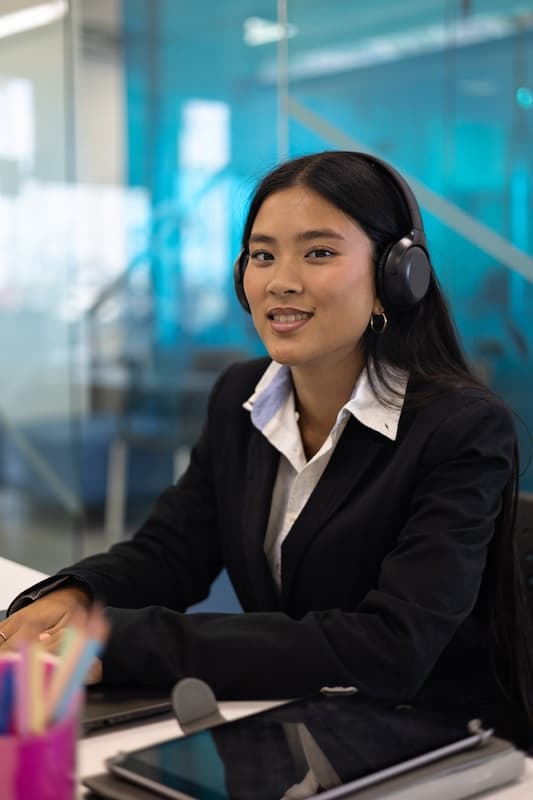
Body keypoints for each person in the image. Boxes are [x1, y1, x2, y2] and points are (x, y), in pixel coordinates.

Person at [1, 151, 532, 747]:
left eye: (319, 252)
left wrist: (124, 641)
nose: (281, 280)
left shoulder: (463, 430)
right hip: (288, 729)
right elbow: (172, 551)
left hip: (427, 741)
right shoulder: (241, 398)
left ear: (395, 277)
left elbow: (391, 647)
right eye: (262, 254)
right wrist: (79, 594)